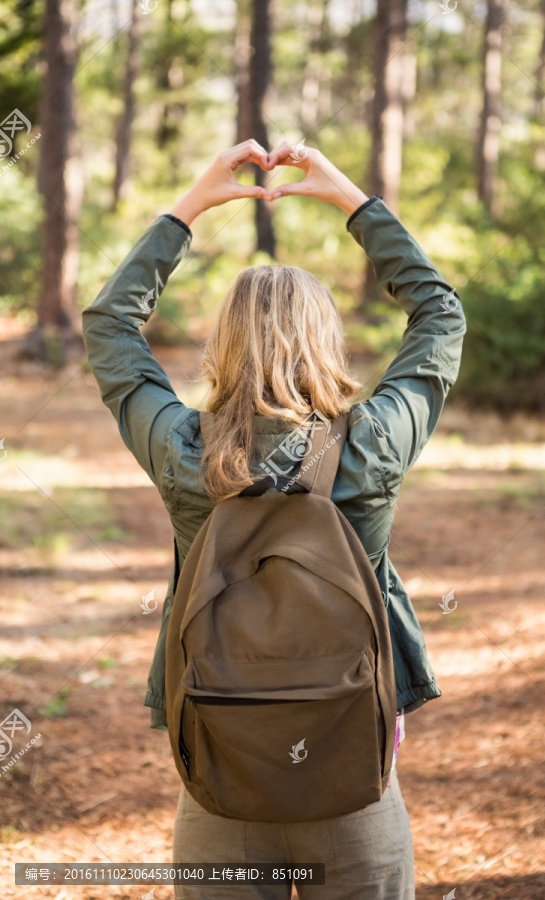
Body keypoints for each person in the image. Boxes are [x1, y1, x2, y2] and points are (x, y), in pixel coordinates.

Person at [82, 139, 466, 900]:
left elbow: (110, 329)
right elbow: (439, 314)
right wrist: (352, 202)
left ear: (223, 344)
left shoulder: (185, 450)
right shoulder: (373, 442)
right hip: (354, 780)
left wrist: (189, 207)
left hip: (221, 780)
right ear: (326, 340)